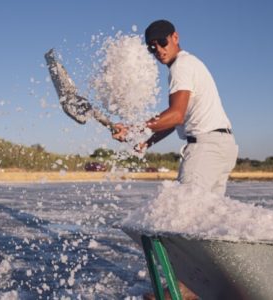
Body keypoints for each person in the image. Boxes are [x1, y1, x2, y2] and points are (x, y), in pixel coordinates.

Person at [112, 20, 238, 299]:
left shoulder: (181, 66)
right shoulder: (191, 65)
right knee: (203, 223)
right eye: (151, 47)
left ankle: (183, 289)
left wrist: (132, 127)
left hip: (205, 149)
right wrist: (147, 140)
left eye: (161, 42)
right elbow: (174, 119)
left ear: (175, 37)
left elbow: (176, 115)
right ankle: (200, 286)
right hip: (222, 145)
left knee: (183, 221)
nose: (157, 49)